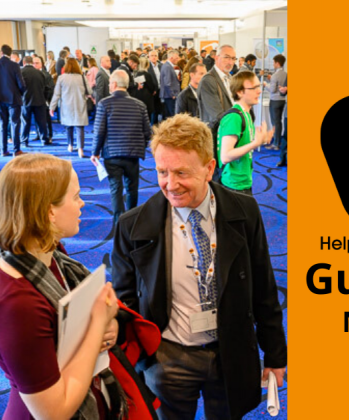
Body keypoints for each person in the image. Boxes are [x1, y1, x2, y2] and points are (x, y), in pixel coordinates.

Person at [112, 113, 287, 419]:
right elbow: (125, 300)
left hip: (230, 351)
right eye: (162, 172)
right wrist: (140, 361)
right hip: (168, 357)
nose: (171, 185)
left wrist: (275, 354)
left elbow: (263, 285)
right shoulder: (132, 226)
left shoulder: (245, 211)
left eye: (182, 172)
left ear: (209, 168)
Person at [0, 153, 120, 420]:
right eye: (76, 196)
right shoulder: (16, 304)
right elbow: (53, 413)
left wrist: (107, 327)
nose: (82, 203)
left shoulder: (46, 252)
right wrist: (96, 327)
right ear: (49, 211)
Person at [90, 70, 151, 225]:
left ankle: (119, 222)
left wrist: (95, 152)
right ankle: (131, 220)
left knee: (116, 189)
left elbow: (99, 131)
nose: (109, 85)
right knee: (132, 188)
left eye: (110, 82)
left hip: (112, 154)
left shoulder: (104, 104)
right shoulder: (140, 105)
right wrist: (140, 146)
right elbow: (147, 132)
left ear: (115, 84)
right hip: (133, 154)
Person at [218, 71, 274, 195]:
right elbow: (225, 156)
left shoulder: (246, 114)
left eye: (259, 86)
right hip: (233, 185)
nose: (259, 91)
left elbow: (242, 143)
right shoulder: (234, 117)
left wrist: (262, 140)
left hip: (243, 181)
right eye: (254, 88)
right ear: (239, 92)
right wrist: (255, 144)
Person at [50, 58, 90, 158]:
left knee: (69, 126)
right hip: (80, 104)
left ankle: (70, 146)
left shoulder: (61, 78)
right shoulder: (82, 77)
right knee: (80, 127)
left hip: (67, 106)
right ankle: (80, 149)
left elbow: (56, 94)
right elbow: (89, 91)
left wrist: (52, 107)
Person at [198, 45, 236, 125]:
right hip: (219, 130)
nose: (230, 62)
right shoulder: (208, 81)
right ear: (216, 58)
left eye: (233, 58)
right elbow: (216, 114)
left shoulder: (231, 78)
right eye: (226, 57)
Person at [20, 56, 53, 147]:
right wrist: (45, 98)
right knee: (41, 122)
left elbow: (18, 87)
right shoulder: (40, 73)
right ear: (31, 62)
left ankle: (24, 140)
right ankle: (44, 139)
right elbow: (46, 88)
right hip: (40, 100)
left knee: (25, 122)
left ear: (24, 63)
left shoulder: (21, 72)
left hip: (26, 101)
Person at [268, 54, 288, 159]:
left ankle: (275, 144)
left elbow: (272, 90)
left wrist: (265, 85)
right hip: (282, 101)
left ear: (277, 63)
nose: (273, 64)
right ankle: (278, 142)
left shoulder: (275, 75)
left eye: (274, 62)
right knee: (279, 121)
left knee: (275, 122)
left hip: (274, 101)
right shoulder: (286, 74)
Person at [33, 55, 55, 144]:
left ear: (41, 64)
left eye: (37, 63)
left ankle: (49, 135)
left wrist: (47, 99)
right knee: (36, 119)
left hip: (44, 100)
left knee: (46, 119)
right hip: (34, 100)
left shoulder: (46, 74)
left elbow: (50, 88)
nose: (35, 65)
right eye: (33, 63)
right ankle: (39, 134)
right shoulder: (32, 74)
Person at [132, 57, 158, 124]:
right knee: (147, 117)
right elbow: (151, 86)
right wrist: (154, 90)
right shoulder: (147, 74)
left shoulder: (135, 74)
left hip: (137, 97)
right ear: (146, 65)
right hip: (146, 98)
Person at [159, 51, 181, 121]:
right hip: (169, 96)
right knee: (171, 116)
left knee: (168, 116)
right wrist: (172, 95)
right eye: (176, 58)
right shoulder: (167, 67)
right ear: (171, 58)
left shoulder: (168, 66)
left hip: (169, 95)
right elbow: (167, 83)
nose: (178, 59)